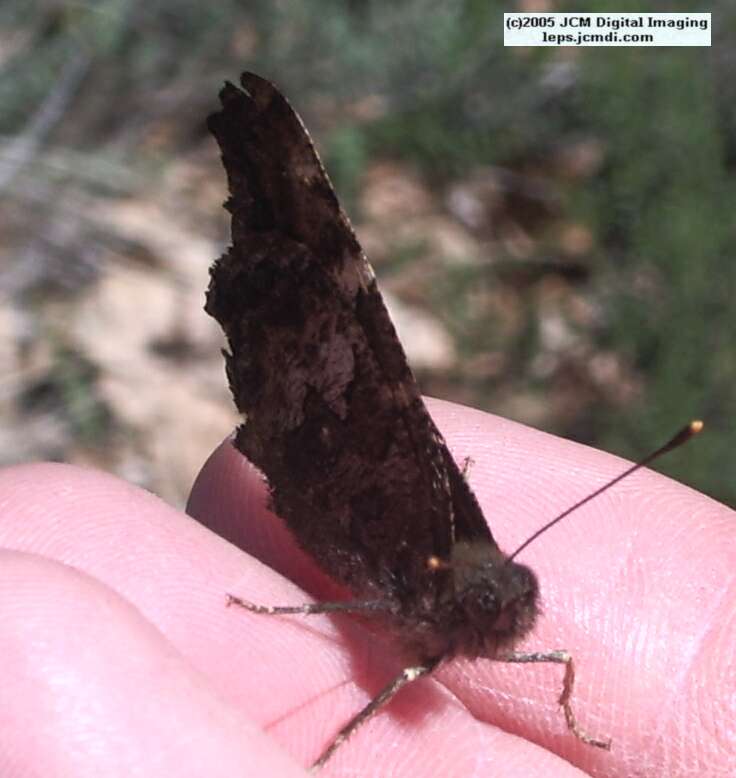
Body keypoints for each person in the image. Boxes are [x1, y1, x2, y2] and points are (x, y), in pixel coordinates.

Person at [0, 401, 732, 776]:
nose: (513, 615)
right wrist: (286, 612)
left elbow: (557, 654)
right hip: (317, 464)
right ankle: (331, 715)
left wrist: (573, 720)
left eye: (514, 602)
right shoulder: (433, 595)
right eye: (497, 602)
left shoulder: (475, 603)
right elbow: (377, 600)